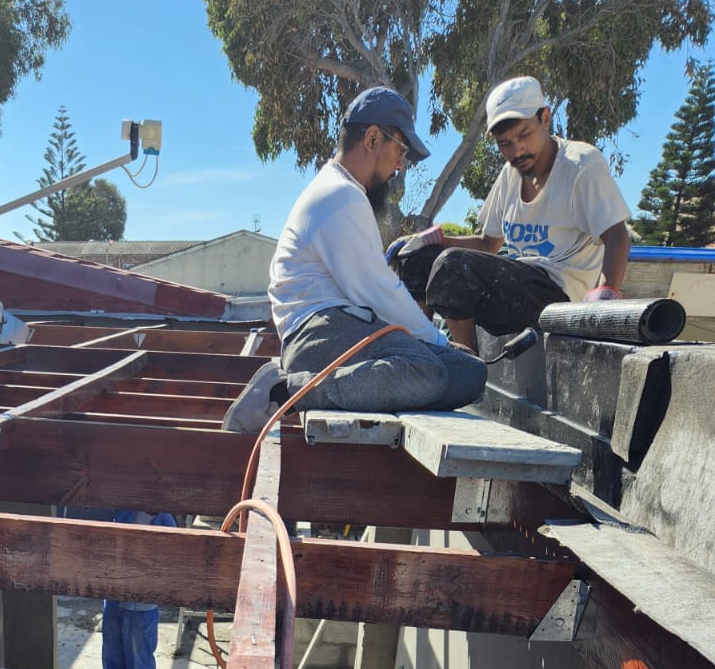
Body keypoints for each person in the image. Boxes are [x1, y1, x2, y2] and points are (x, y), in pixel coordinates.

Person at [223, 86, 487, 434]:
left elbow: (375, 293)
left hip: (342, 329)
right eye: (401, 150)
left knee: (471, 373)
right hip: (318, 335)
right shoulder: (340, 196)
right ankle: (285, 391)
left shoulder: (342, 191)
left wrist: (439, 346)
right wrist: (438, 342)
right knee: (428, 372)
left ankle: (315, 385)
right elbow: (378, 291)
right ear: (373, 138)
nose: (400, 165)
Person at [389, 76, 632, 352]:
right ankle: (422, 353)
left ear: (545, 118)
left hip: (559, 297)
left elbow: (617, 235)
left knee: (452, 266)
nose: (516, 150)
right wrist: (431, 240)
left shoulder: (580, 164)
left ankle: (468, 368)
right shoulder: (510, 174)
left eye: (524, 135)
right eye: (504, 143)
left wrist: (605, 296)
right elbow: (487, 245)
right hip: (515, 290)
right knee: (418, 260)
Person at [101, 509, 177, 669]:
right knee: (113, 648)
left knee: (139, 653)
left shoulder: (164, 520)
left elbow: (170, 561)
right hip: (115, 596)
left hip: (142, 602)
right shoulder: (124, 512)